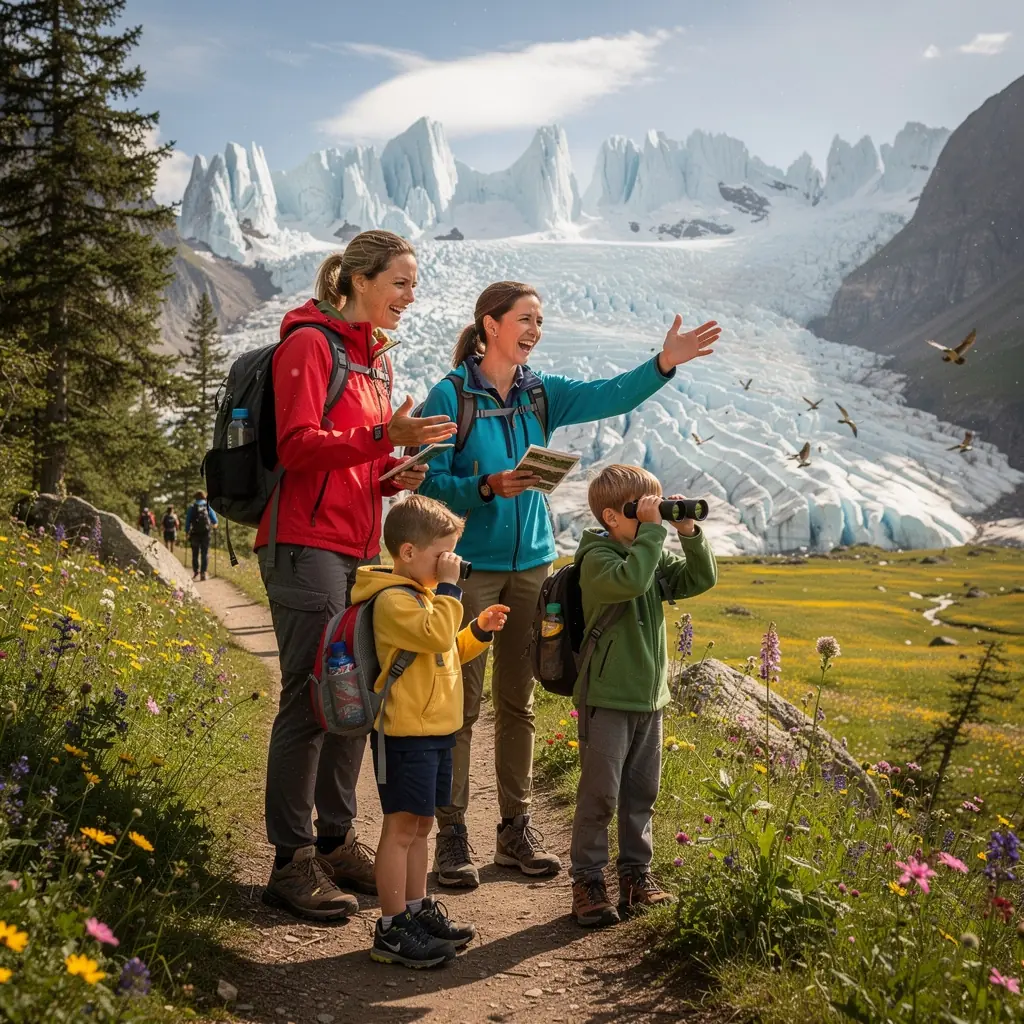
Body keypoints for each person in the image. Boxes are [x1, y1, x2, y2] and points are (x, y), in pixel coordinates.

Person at [419, 280, 721, 888]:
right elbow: (427, 484)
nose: (533, 330)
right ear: (490, 325)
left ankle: (514, 828)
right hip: (472, 567)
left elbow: (610, 395)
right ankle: (452, 832)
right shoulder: (450, 396)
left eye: (539, 322)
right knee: (460, 699)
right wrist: (484, 488)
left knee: (518, 701)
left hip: (532, 564)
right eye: (524, 320)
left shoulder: (541, 394)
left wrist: (665, 363)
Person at [255, 231, 457, 923]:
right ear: (360, 279)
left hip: (353, 543)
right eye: (400, 282)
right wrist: (381, 441)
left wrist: (393, 474)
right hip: (301, 540)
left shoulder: (375, 365)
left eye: (413, 284)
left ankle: (336, 842)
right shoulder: (309, 344)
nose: (410, 295)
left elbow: (356, 464)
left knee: (352, 694)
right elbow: (296, 445)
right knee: (311, 697)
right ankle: (291, 860)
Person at [350, 495, 509, 968]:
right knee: (400, 828)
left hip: (435, 730)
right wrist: (452, 591)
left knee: (420, 826)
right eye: (443, 555)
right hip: (404, 733)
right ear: (407, 553)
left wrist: (477, 630)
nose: (450, 563)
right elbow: (435, 634)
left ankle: (417, 911)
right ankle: (391, 927)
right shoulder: (394, 601)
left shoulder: (423, 597)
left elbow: (444, 651)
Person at [569, 465, 717, 927]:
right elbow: (630, 581)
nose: (654, 516)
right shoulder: (596, 559)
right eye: (642, 509)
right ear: (613, 517)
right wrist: (654, 534)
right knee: (600, 794)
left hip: (650, 698)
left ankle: (636, 874)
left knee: (642, 793)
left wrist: (687, 531)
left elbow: (700, 579)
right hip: (609, 697)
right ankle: (588, 879)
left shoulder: (647, 555)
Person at [184, 491, 218, 581]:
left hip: (195, 533)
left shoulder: (192, 507)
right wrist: (214, 526)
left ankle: (196, 571)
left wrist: (187, 532)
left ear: (196, 498)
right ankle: (203, 573)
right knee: (204, 553)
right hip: (205, 533)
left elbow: (187, 522)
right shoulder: (207, 507)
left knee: (195, 553)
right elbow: (215, 521)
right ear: (204, 497)